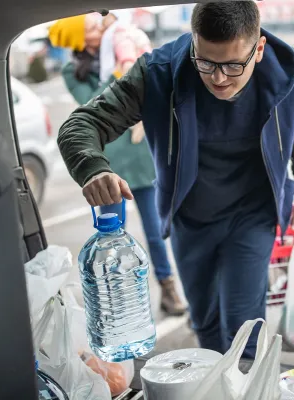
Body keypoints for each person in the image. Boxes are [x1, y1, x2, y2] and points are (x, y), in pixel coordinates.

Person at [57, 1, 294, 358]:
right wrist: (93, 167)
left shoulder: (287, 72)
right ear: (194, 42)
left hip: (252, 214)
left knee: (243, 328)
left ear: (258, 49)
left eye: (232, 65)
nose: (218, 78)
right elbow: (81, 124)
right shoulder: (159, 72)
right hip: (189, 216)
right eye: (206, 62)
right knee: (205, 322)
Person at [48, 14, 186, 316]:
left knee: (156, 230)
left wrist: (128, 55)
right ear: (77, 39)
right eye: (90, 29)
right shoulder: (74, 71)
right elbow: (95, 102)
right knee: (111, 237)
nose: (99, 29)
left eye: (97, 25)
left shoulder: (121, 48)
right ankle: (120, 301)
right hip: (107, 166)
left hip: (141, 158)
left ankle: (168, 287)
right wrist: (124, 67)